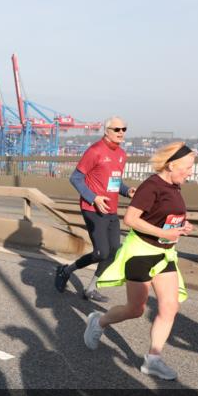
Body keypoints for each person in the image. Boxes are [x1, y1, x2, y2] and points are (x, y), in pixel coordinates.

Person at [83, 142, 197, 380]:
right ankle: (99, 321)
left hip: (164, 254)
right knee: (135, 309)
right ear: (171, 165)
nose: (191, 172)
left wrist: (181, 225)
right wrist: (163, 232)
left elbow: (161, 216)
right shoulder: (151, 186)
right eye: (187, 167)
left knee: (170, 306)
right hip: (141, 254)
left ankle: (153, 360)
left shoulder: (174, 186)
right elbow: (131, 219)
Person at [55, 116, 134, 302]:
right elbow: (75, 178)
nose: (121, 132)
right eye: (117, 129)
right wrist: (94, 198)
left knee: (113, 252)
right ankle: (65, 271)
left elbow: (114, 182)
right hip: (92, 208)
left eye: (124, 129)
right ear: (106, 131)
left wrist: (126, 191)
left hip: (111, 210)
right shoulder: (95, 151)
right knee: (101, 252)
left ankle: (90, 289)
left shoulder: (121, 154)